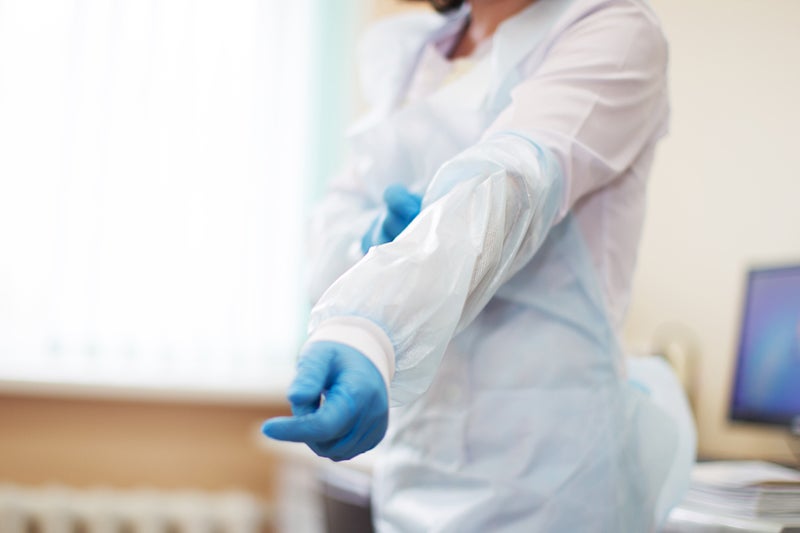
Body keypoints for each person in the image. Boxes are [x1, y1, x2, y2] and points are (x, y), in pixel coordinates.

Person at [263, 0, 694, 530]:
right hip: (416, 459)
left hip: (550, 479)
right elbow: (335, 216)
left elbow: (512, 183)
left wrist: (367, 329)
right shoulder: (411, 55)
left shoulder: (607, 28)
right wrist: (367, 242)